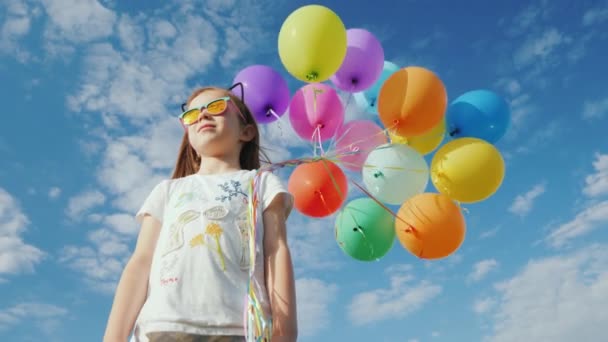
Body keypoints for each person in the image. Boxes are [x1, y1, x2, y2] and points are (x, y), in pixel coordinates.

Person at [103, 83, 298, 342]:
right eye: (192, 115)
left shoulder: (260, 183)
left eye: (216, 107)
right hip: (162, 326)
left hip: (239, 329)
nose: (203, 115)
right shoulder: (168, 190)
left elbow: (276, 250)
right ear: (189, 138)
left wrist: (284, 334)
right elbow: (141, 262)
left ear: (246, 131)